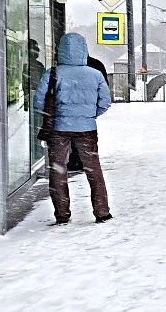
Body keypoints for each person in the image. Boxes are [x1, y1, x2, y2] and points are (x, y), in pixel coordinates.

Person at [33, 33, 113, 225]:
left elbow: (38, 103)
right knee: (94, 170)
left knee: (58, 171)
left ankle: (62, 215)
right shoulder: (95, 74)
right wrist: (88, 115)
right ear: (83, 50)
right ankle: (101, 212)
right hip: (87, 129)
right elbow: (105, 102)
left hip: (59, 129)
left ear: (61, 50)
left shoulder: (53, 73)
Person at [65, 55, 110, 174]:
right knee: (87, 137)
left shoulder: (62, 69)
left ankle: (74, 160)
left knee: (70, 136)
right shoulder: (96, 66)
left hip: (66, 112)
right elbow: (105, 96)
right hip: (88, 111)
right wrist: (94, 111)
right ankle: (88, 162)